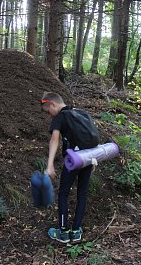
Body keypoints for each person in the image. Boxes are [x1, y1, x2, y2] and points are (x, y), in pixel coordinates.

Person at [41, 92, 95, 244]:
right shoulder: (81, 113)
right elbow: (92, 136)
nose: (49, 115)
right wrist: (94, 161)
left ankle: (63, 232)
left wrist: (50, 164)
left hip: (73, 160)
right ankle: (76, 231)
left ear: (53, 104)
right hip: (88, 157)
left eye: (48, 111)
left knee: (63, 193)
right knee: (82, 193)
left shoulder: (60, 117)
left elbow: (54, 140)